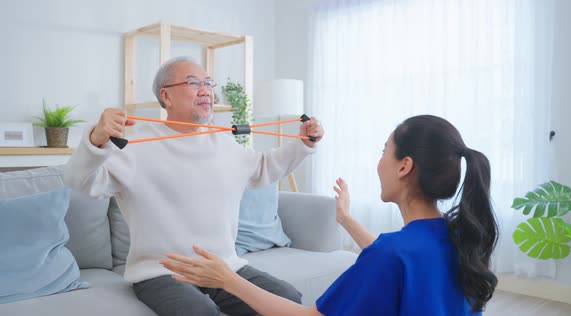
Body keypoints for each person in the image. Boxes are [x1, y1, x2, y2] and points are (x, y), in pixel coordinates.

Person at [160, 115, 499, 316]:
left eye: (385, 152)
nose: (379, 161)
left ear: (405, 166)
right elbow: (398, 263)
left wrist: (228, 280)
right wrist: (345, 219)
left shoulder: (391, 253)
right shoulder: (459, 238)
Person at [64, 56, 324, 316]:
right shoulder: (135, 146)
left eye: (209, 83)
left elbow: (263, 168)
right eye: (193, 83)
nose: (206, 91)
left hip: (223, 267)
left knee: (287, 298)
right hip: (162, 272)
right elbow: (81, 182)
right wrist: (96, 140)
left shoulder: (222, 142)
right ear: (166, 96)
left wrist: (303, 143)